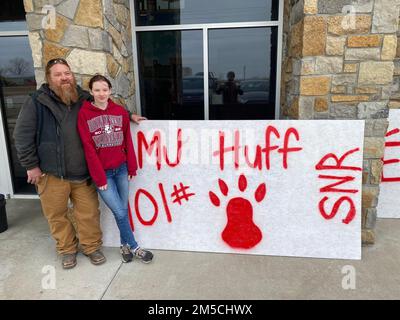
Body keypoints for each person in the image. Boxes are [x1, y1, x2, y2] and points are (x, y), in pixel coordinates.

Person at [13, 58, 145, 269]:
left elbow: (106, 107)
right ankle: (67, 250)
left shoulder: (82, 97)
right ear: (49, 78)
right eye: (58, 74)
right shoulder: (37, 101)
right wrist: (31, 165)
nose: (64, 78)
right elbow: (22, 135)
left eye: (67, 73)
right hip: (51, 173)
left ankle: (91, 248)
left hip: (82, 173)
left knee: (89, 213)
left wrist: (129, 115)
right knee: (57, 215)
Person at [77, 74, 153, 264]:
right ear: (91, 92)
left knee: (123, 209)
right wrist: (99, 178)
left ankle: (123, 245)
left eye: (104, 89)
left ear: (110, 91)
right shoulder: (84, 114)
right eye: (97, 90)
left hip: (121, 169)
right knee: (119, 212)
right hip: (103, 175)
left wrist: (131, 167)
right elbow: (88, 149)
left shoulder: (119, 112)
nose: (101, 94)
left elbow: (128, 140)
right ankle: (135, 246)